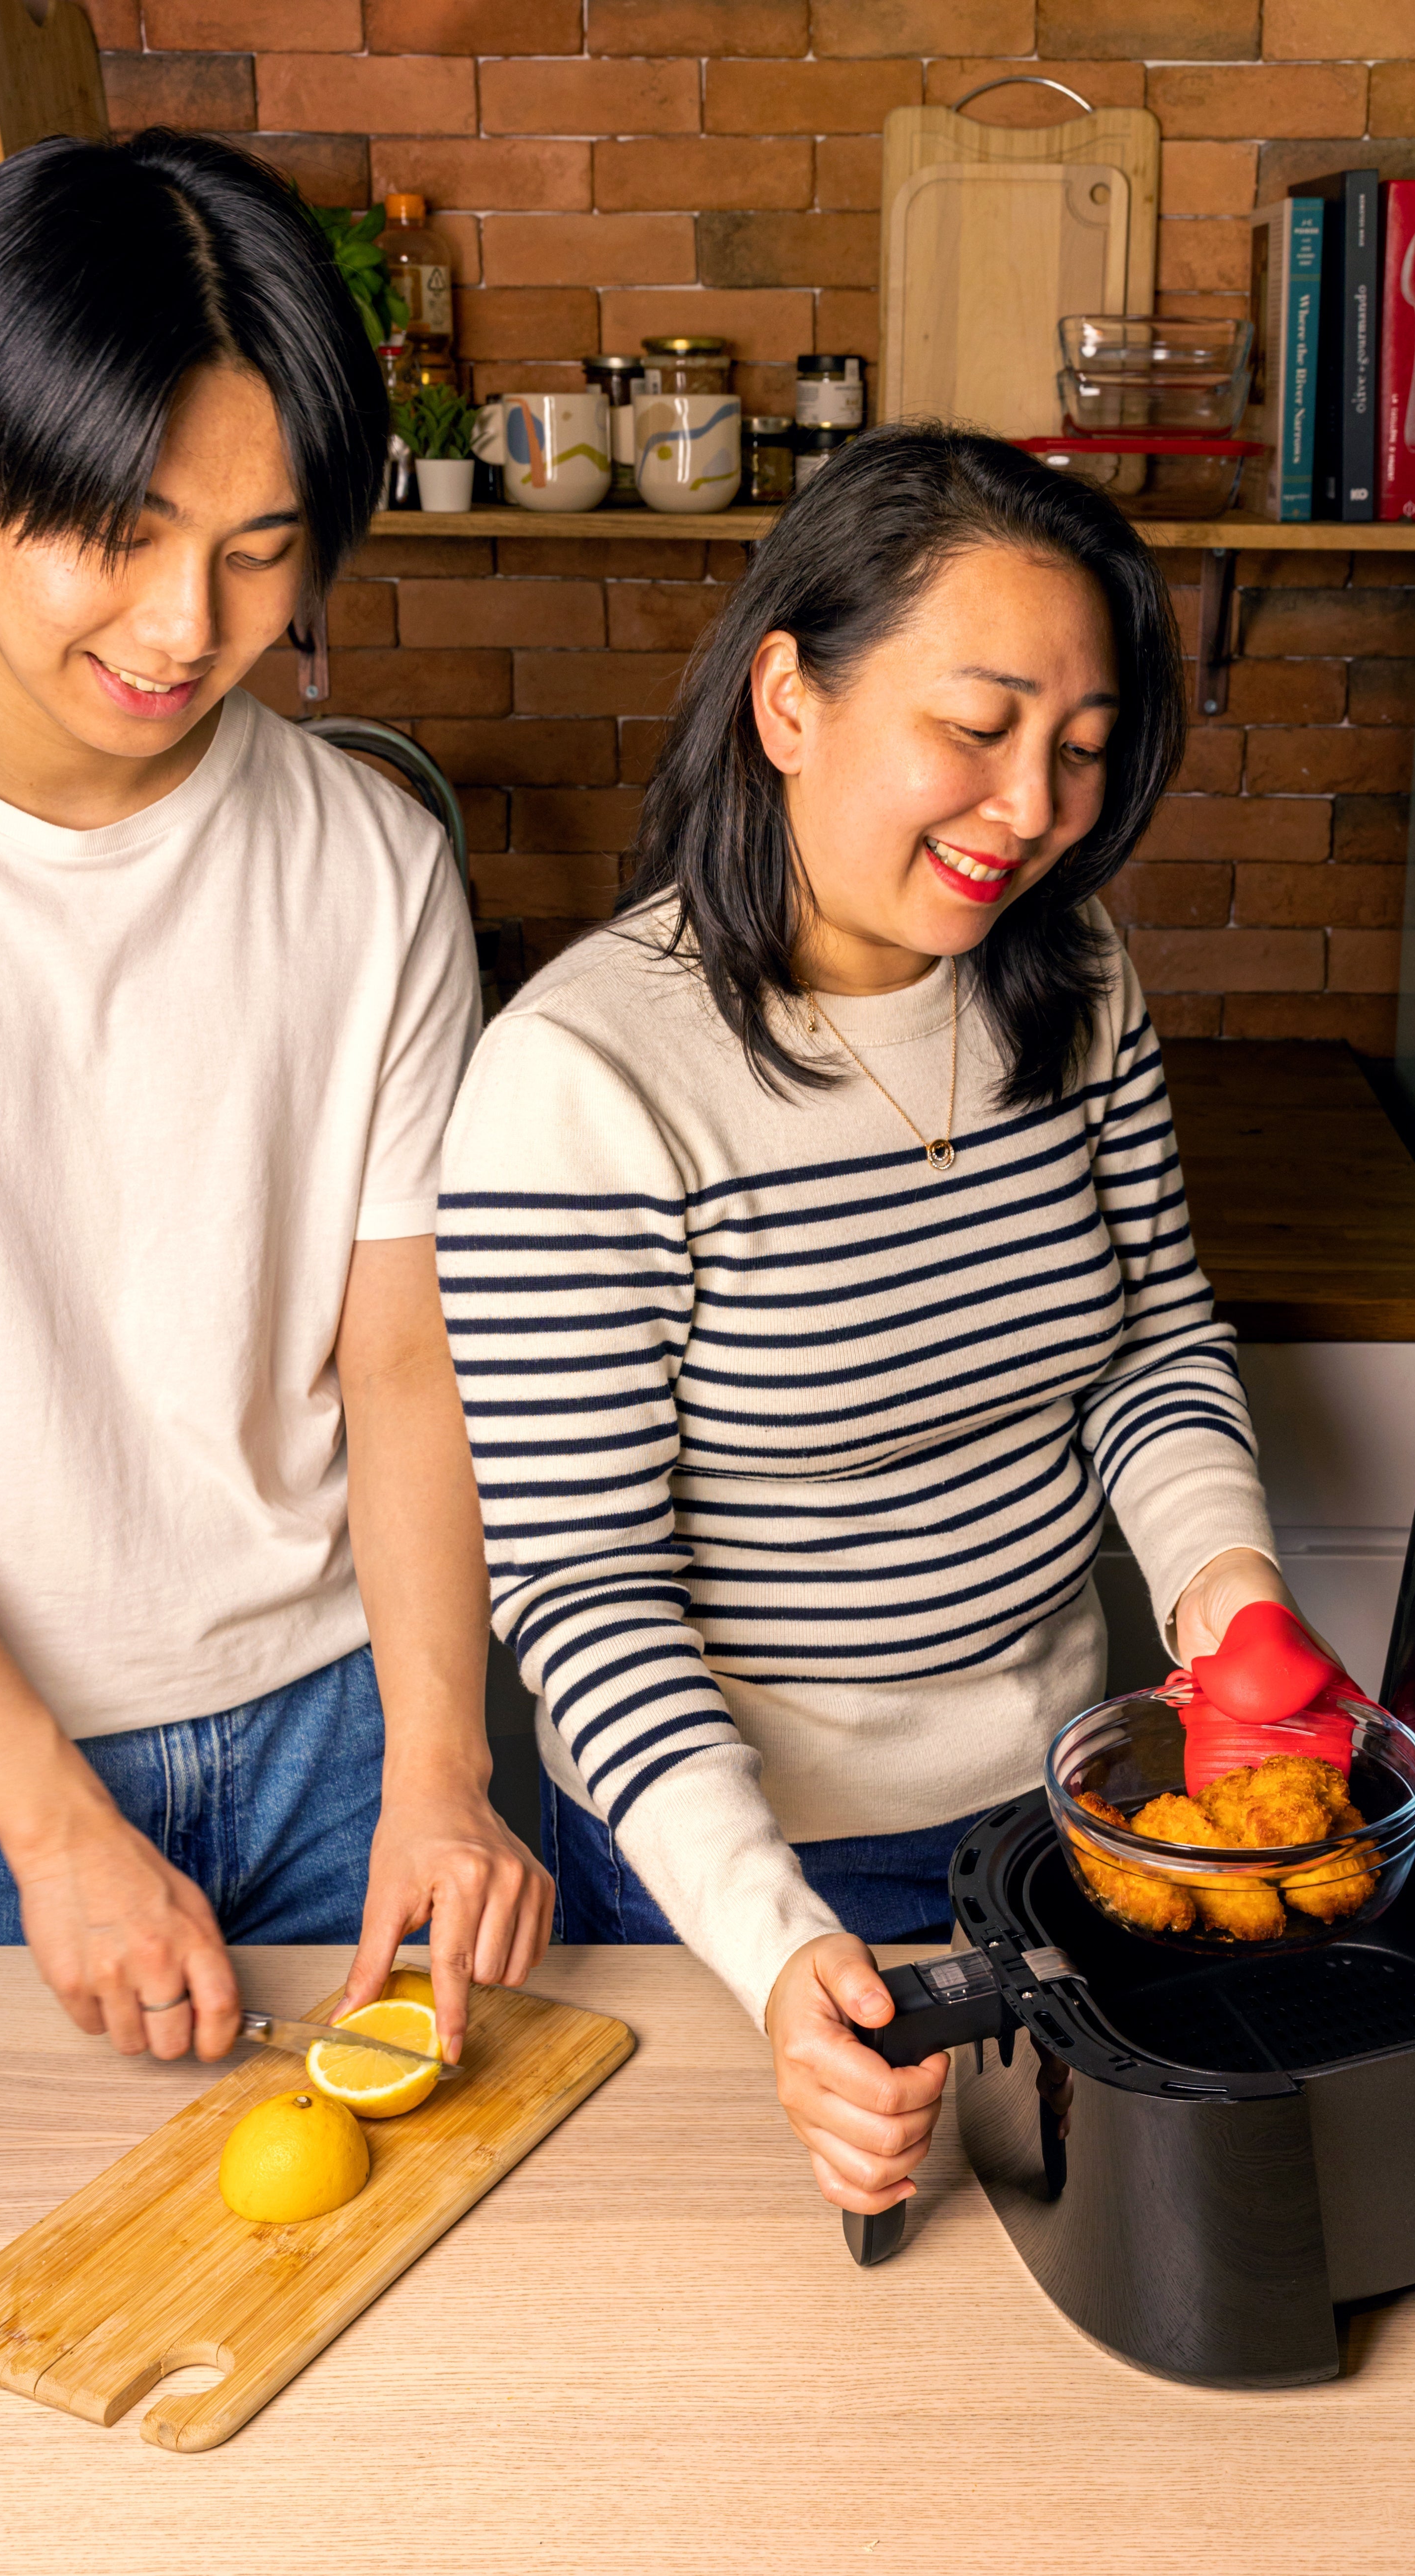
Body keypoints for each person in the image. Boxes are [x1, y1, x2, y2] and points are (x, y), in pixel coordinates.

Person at [438, 424, 1313, 2217]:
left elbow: (1150, 1346)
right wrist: (775, 1948)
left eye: (1082, 748)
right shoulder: (582, 1080)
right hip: (737, 1874)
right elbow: (582, 1589)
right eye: (978, 727)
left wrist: (1234, 1610)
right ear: (789, 700)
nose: (1033, 808)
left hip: (1065, 1818)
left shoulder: (1075, 979)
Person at [0, 130, 549, 2071]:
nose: (188, 625)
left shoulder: (369, 857)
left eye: (260, 549)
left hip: (339, 1732)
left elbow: (404, 1356)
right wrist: (47, 1819)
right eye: (120, 530)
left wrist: (441, 1767)